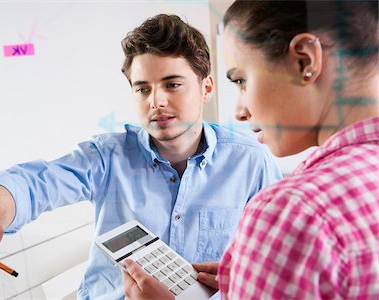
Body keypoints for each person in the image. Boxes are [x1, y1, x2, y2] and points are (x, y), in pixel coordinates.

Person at [0, 14, 282, 299]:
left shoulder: (252, 163)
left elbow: (278, 265)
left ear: (206, 87)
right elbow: (33, 183)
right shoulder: (107, 155)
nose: (155, 101)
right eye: (142, 88)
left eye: (172, 84)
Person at [122, 1, 379, 299]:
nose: (240, 111)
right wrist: (254, 276)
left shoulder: (290, 212)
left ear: (305, 61)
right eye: (142, 89)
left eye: (242, 80)